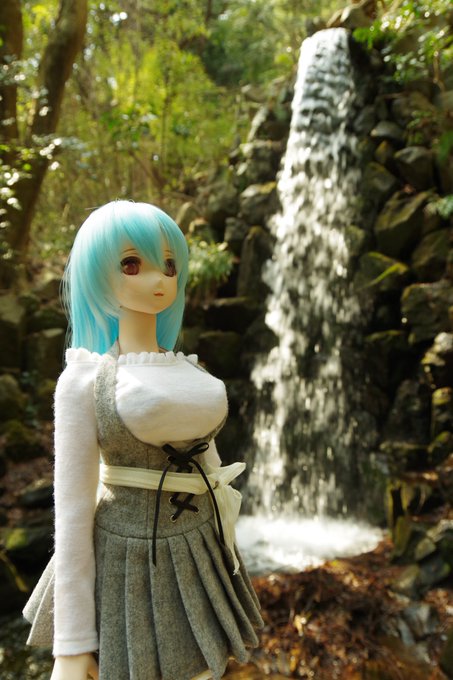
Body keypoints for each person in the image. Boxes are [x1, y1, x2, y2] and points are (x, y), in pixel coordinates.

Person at [23, 200, 263, 680]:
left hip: (202, 545)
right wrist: (72, 643)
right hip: (131, 557)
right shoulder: (85, 380)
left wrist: (229, 558)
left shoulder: (189, 369)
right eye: (132, 264)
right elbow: (72, 514)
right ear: (97, 273)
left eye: (169, 265)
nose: (159, 279)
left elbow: (212, 471)